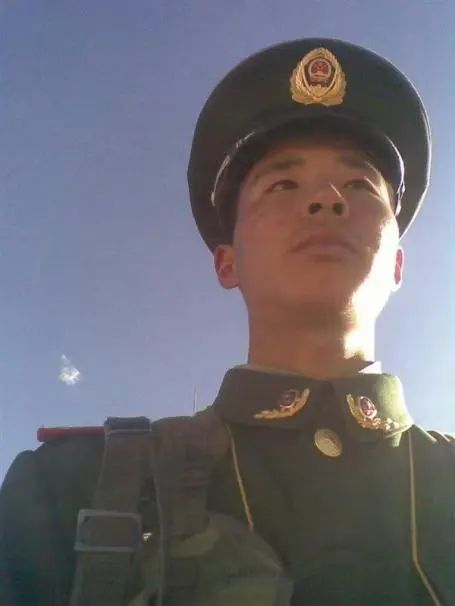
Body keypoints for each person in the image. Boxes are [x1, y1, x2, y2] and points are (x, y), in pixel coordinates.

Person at [0, 37, 454, 606]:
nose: (328, 199)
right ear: (227, 262)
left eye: (361, 185)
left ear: (399, 264)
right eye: (282, 184)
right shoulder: (72, 490)